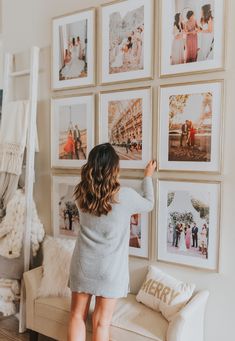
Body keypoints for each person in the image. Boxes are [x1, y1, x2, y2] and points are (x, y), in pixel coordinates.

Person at [67, 143, 156, 341]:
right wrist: (148, 176)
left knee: (76, 316)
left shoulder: (81, 193)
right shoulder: (124, 196)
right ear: (114, 168)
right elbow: (149, 203)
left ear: (90, 166)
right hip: (110, 270)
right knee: (101, 323)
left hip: (82, 265)